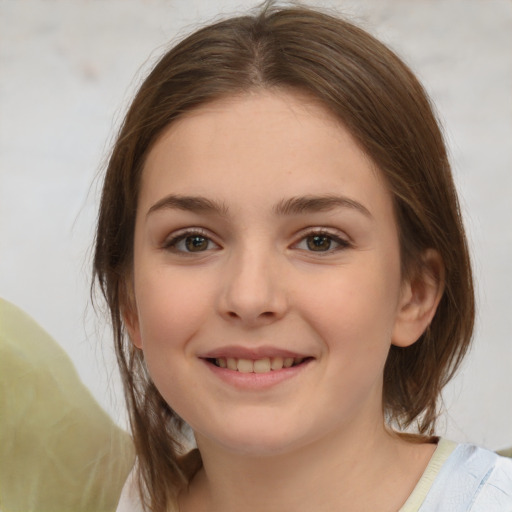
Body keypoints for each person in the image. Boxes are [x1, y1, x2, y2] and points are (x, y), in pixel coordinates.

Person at [92, 3, 512, 511]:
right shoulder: (137, 498)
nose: (250, 298)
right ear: (130, 300)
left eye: (319, 241)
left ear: (414, 295)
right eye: (193, 241)